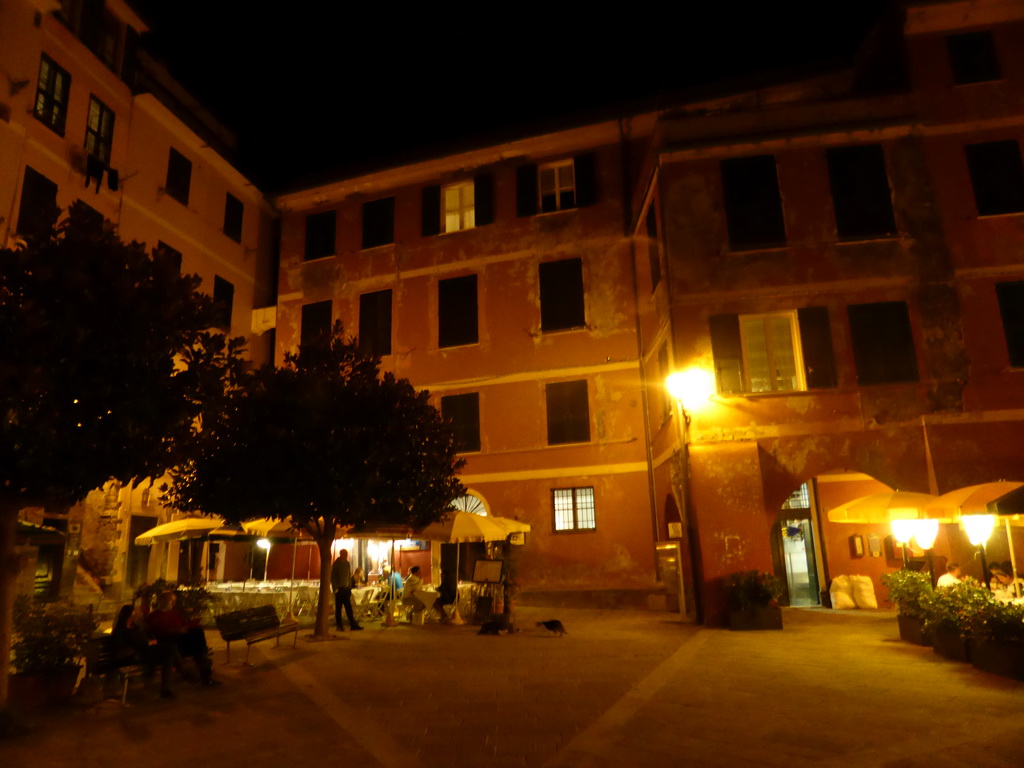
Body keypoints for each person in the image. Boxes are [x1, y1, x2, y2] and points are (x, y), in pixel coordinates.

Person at [146, 591, 220, 686]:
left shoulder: (174, 613)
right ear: (163, 601)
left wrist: (188, 625)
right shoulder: (154, 616)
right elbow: (157, 632)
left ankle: (205, 674)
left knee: (197, 635)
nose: (173, 603)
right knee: (198, 642)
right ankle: (205, 675)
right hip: (170, 641)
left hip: (182, 640)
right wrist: (175, 630)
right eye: (171, 601)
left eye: (174, 601)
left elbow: (183, 624)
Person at [112, 603, 182, 699]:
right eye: (133, 614)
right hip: (136, 655)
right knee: (171, 648)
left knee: (168, 656)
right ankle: (182, 673)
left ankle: (166, 690)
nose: (135, 616)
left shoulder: (134, 627)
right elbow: (121, 647)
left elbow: (143, 638)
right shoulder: (120, 631)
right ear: (127, 616)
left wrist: (149, 641)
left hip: (146, 651)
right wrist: (144, 644)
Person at [330, 549, 362, 631]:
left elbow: (348, 576)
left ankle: (352, 624)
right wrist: (335, 589)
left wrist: (349, 587)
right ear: (341, 554)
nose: (346, 555)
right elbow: (333, 577)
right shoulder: (336, 564)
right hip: (339, 589)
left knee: (348, 608)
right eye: (345, 554)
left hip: (346, 589)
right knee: (338, 608)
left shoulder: (347, 564)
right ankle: (339, 625)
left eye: (346, 554)